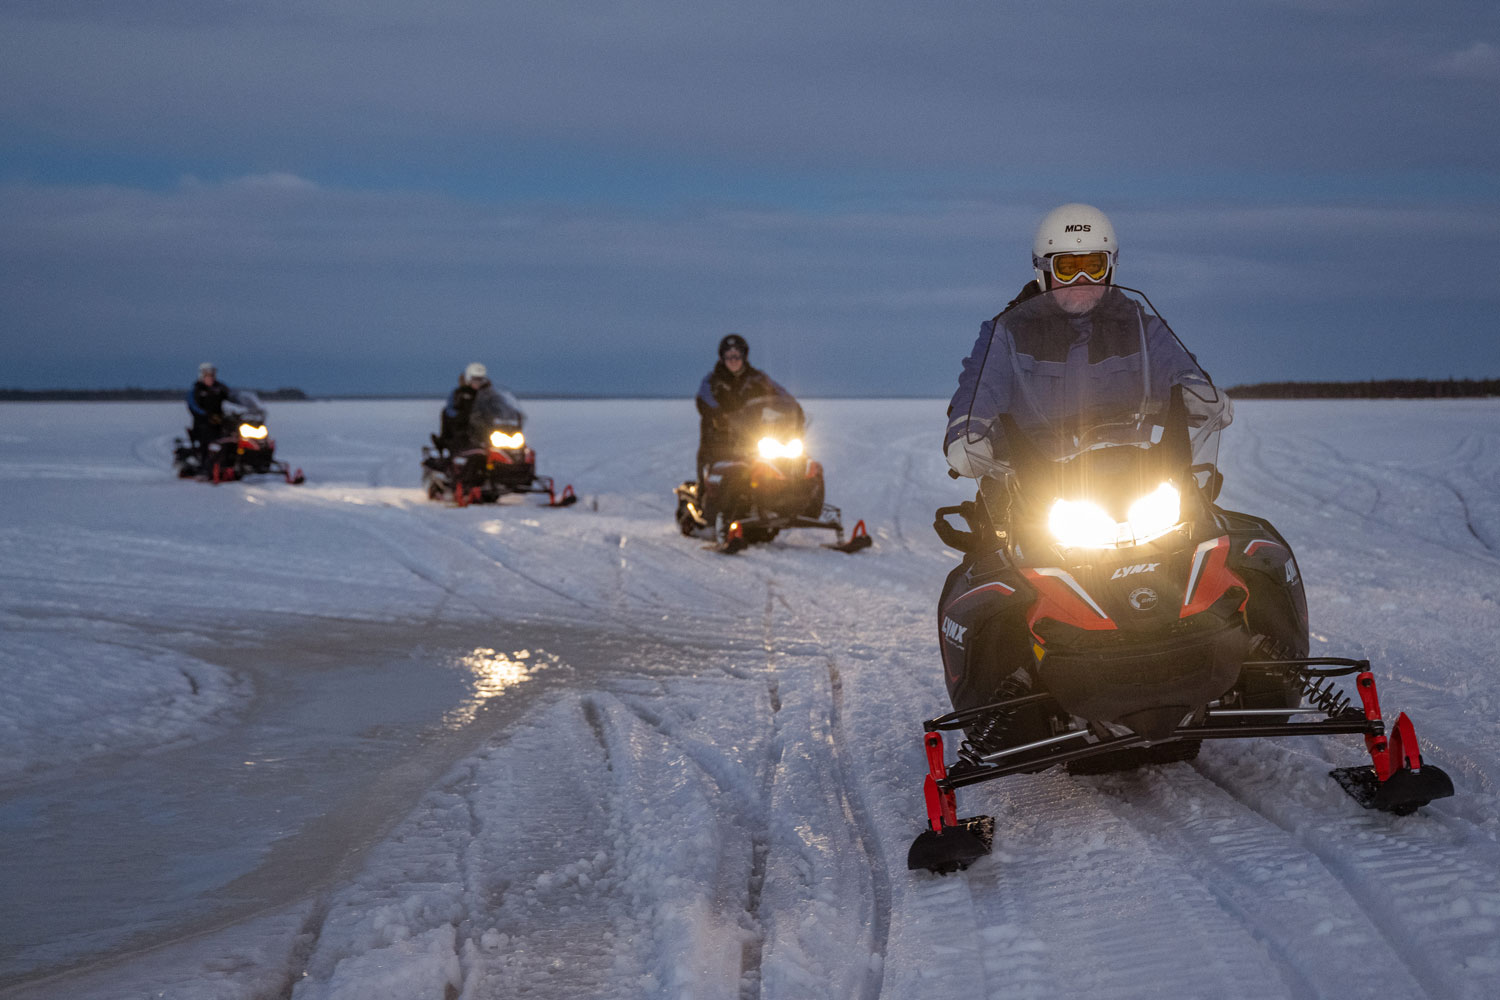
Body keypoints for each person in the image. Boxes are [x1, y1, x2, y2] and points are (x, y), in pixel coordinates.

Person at [943, 203, 1224, 481]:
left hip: (1133, 474)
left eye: (1093, 266)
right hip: (1034, 479)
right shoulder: (1007, 333)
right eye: (1067, 268)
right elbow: (980, 389)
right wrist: (967, 433)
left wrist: (1197, 394)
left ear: (1110, 267)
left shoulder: (1140, 327)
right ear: (1044, 271)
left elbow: (1176, 365)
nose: (1082, 280)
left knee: (1197, 514)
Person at [694, 334, 795, 482]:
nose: (733, 360)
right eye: (729, 356)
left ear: (744, 356)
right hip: (720, 441)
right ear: (722, 358)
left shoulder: (757, 378)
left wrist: (794, 411)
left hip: (754, 436)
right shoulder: (712, 381)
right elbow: (704, 399)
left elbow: (782, 395)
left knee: (791, 464)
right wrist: (719, 415)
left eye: (736, 356)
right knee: (721, 478)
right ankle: (706, 494)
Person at [186, 362, 230, 466]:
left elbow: (233, 397)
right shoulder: (197, 389)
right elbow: (193, 406)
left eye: (212, 375)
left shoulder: (219, 388)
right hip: (203, 422)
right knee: (206, 439)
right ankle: (204, 466)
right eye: (207, 375)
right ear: (202, 376)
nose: (210, 378)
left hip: (220, 421)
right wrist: (206, 415)